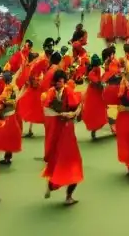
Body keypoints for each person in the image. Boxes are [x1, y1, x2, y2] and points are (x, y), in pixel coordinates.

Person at [42, 76, 83, 206]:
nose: (57, 84)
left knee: (73, 163)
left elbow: (78, 107)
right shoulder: (50, 93)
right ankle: (53, 186)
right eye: (55, 82)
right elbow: (47, 109)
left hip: (67, 131)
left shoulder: (69, 92)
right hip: (58, 130)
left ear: (64, 82)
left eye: (59, 81)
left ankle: (68, 195)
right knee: (57, 160)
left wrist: (72, 114)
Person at [0, 69, 22, 165]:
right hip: (10, 115)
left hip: (7, 116)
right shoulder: (12, 87)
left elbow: (12, 101)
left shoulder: (9, 88)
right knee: (7, 138)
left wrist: (2, 101)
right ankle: (7, 157)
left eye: (2, 77)